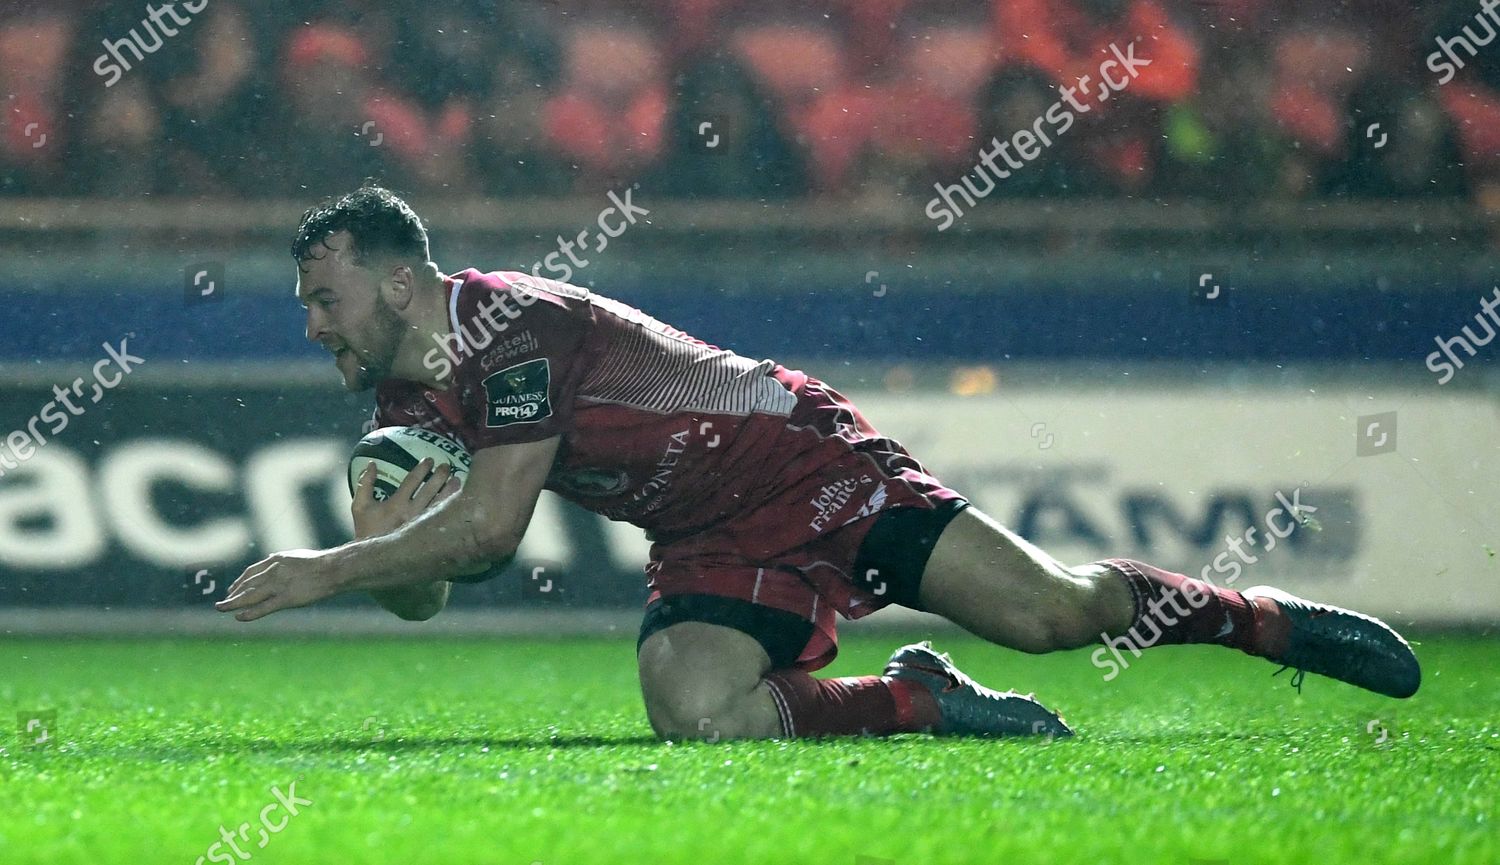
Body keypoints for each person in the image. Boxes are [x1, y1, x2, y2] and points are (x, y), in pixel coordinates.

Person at [217, 184, 1421, 740]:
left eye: (322, 298)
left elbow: (487, 536)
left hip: (802, 463)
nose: (312, 323)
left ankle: (1257, 619)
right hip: (702, 533)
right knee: (697, 713)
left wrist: (330, 565)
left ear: (392, 279)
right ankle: (917, 701)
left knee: (1053, 615)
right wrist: (380, 552)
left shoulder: (507, 327)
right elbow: (428, 592)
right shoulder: (398, 397)